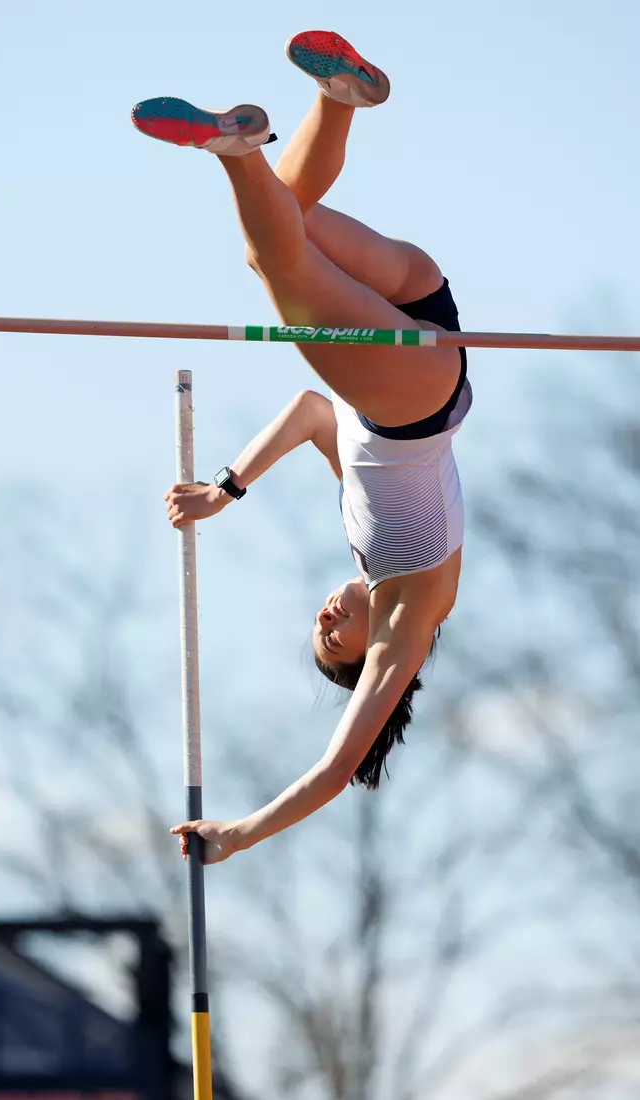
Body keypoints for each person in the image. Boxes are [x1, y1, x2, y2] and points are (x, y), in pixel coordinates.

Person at [132, 30, 472, 864]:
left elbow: (313, 412)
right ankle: (232, 150)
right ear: (372, 663)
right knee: (274, 262)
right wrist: (238, 834)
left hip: (422, 316)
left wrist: (225, 488)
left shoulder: (366, 544)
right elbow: (335, 769)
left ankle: (336, 100)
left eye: (317, 632)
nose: (326, 621)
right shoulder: (409, 617)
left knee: (288, 218)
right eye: (334, 642)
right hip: (413, 398)